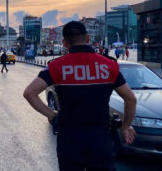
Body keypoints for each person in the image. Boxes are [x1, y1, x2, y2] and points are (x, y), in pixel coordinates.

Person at [23, 21, 137, 171]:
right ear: (88, 38)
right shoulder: (109, 65)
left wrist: (52, 115)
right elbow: (131, 99)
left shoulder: (56, 66)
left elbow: (29, 93)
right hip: (100, 138)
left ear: (64, 43)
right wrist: (126, 126)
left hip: (69, 138)